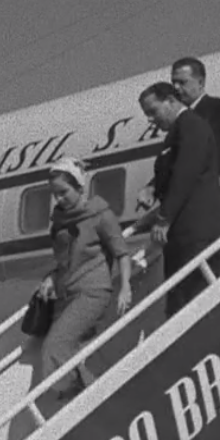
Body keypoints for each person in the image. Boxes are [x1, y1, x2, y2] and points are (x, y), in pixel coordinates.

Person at [36, 157, 133, 401]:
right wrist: (51, 277)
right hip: (66, 294)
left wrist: (125, 287)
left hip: (93, 291)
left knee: (55, 345)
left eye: (63, 192)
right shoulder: (58, 223)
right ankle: (88, 393)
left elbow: (122, 253)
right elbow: (64, 262)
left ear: (79, 187)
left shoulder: (100, 215)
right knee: (67, 348)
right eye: (54, 194)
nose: (58, 199)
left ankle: (84, 395)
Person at [139, 56, 220, 225]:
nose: (176, 88)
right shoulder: (177, 123)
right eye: (174, 83)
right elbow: (180, 164)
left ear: (200, 82)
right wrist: (152, 187)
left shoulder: (218, 108)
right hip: (190, 214)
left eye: (182, 82)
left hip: (216, 209)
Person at [138, 82, 220, 317]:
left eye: (153, 111)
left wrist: (164, 218)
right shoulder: (176, 133)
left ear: (171, 101)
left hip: (197, 233)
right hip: (183, 236)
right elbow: (174, 172)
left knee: (196, 304)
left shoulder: (191, 125)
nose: (150, 119)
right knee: (180, 304)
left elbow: (186, 172)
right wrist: (151, 188)